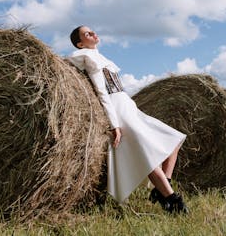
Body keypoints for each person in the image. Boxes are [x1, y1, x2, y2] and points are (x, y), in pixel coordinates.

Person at [68, 26, 189, 214]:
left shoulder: (103, 58)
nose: (93, 34)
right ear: (80, 43)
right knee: (145, 153)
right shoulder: (88, 58)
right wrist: (114, 124)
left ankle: (161, 188)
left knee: (175, 140)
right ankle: (173, 201)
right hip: (118, 110)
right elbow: (102, 93)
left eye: (93, 31)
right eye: (87, 34)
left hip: (128, 106)